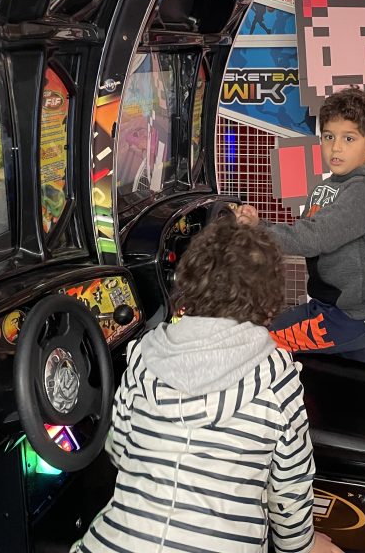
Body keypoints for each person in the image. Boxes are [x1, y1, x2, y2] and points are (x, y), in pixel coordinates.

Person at [72, 219, 342, 553]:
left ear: (186, 283)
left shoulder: (143, 354)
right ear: (270, 299)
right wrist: (301, 546)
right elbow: (289, 486)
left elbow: (118, 448)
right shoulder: (276, 376)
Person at [238, 86, 365, 366]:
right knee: (362, 389)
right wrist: (260, 226)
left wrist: (259, 231)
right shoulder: (330, 185)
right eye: (329, 137)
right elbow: (309, 229)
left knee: (259, 341)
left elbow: (316, 237)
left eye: (349, 138)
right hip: (353, 311)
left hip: (349, 317)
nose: (336, 147)